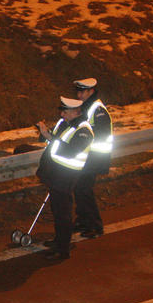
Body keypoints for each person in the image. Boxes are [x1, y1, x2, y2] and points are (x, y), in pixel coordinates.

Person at [36, 95, 94, 261]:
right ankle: (58, 241)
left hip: (67, 176)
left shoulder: (84, 131)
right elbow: (50, 140)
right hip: (55, 173)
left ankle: (63, 249)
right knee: (57, 210)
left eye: (65, 111)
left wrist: (49, 137)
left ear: (76, 112)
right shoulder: (65, 124)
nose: (61, 114)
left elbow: (69, 151)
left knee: (63, 213)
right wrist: (43, 132)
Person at [72, 78, 113, 238]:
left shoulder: (97, 109)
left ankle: (94, 225)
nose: (79, 94)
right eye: (78, 91)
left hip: (95, 157)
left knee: (84, 189)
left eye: (82, 91)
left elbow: (99, 135)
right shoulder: (86, 107)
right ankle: (83, 220)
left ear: (91, 91)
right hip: (87, 156)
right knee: (79, 188)